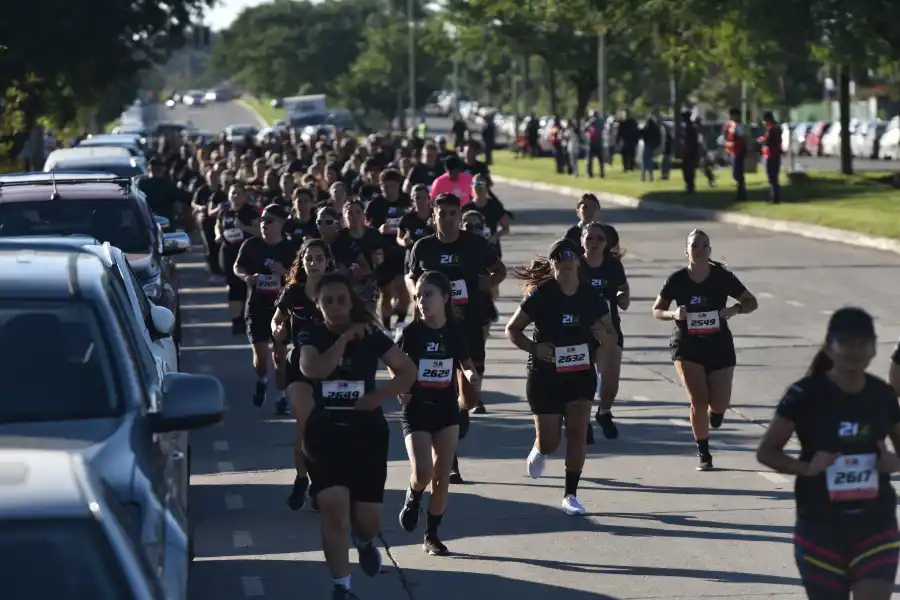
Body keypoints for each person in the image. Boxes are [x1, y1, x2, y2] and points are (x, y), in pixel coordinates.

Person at [757, 307, 900, 600]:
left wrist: (892, 462)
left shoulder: (882, 395)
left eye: (863, 343)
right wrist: (806, 468)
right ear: (829, 347)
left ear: (874, 348)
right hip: (820, 526)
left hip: (876, 524)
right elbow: (767, 452)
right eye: (846, 342)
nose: (855, 351)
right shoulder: (804, 394)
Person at [296, 273, 416, 599]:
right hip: (324, 433)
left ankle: (364, 542)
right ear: (318, 305)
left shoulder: (371, 335)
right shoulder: (311, 334)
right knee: (334, 508)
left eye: (341, 300)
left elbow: (407, 370)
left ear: (351, 302)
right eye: (328, 301)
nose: (335, 306)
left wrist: (377, 397)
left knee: (368, 521)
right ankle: (342, 587)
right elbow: (313, 370)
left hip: (366, 433)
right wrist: (343, 340)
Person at [505, 237, 615, 514]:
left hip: (580, 374)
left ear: (578, 262)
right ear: (552, 264)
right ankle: (540, 448)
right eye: (559, 257)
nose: (565, 261)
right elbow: (512, 329)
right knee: (550, 442)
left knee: (578, 433)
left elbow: (612, 335)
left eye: (570, 256)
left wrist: (603, 336)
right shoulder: (542, 294)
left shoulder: (592, 297)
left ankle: (570, 495)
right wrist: (535, 348)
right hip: (545, 376)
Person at [406, 192, 507, 482]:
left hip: (469, 323)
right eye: (442, 213)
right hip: (434, 327)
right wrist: (416, 292)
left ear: (460, 215)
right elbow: (410, 276)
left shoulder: (474, 244)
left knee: (469, 395)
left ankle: (462, 411)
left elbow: (499, 269)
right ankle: (451, 462)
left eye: (453, 213)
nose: (448, 218)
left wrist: (489, 282)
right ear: (433, 215)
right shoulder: (424, 247)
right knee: (441, 389)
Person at [651, 229, 758, 470]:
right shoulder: (677, 279)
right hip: (687, 345)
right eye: (695, 245)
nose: (699, 249)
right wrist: (673, 314)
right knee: (698, 401)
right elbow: (657, 310)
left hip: (719, 344)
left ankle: (717, 412)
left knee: (719, 403)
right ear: (686, 251)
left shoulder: (722, 277)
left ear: (710, 250)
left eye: (704, 245)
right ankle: (704, 452)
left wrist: (734, 309)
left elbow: (751, 301)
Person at [396, 271, 481, 556]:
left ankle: (431, 535)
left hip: (446, 410)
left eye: (428, 294)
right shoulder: (412, 333)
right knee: (423, 473)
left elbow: (465, 362)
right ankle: (413, 495)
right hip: (417, 410)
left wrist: (471, 376)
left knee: (442, 477)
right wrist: (401, 387)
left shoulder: (455, 331)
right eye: (419, 296)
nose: (422, 301)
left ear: (445, 297)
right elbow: (395, 365)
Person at [271, 238, 331, 510]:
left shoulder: (335, 290)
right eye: (309, 258)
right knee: (306, 425)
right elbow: (277, 319)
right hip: (299, 366)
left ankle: (319, 481)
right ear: (302, 262)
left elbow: (356, 318)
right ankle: (303, 478)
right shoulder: (294, 292)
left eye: (319, 258)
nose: (313, 263)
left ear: (327, 262)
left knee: (327, 429)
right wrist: (277, 329)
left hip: (330, 366)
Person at [234, 204, 296, 412]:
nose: (264, 224)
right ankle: (262, 380)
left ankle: (281, 397)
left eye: (269, 221)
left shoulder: (291, 248)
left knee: (280, 356)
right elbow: (238, 266)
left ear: (281, 224)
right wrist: (246, 277)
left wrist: (284, 272)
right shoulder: (251, 245)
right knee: (261, 359)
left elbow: (302, 276)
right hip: (257, 307)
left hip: (281, 310)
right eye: (261, 220)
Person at [580, 221, 630, 439]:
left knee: (610, 380)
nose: (594, 242)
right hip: (579, 329)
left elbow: (623, 291)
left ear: (607, 242)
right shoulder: (575, 265)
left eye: (600, 238)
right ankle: (582, 421)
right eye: (589, 237)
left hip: (609, 327)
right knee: (582, 380)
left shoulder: (613, 266)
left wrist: (622, 298)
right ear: (581, 240)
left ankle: (604, 412)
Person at [364, 168, 412, 335]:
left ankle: (400, 324)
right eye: (385, 186)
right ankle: (386, 327)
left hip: (403, 252)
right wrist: (378, 230)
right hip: (383, 253)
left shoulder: (407, 201)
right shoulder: (375, 205)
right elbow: (366, 229)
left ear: (399, 185)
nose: (389, 190)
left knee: (403, 293)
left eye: (392, 186)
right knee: (386, 293)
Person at [215, 183, 260, 334]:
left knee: (246, 285)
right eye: (233, 193)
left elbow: (260, 231)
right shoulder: (225, 210)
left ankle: (248, 316)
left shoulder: (250, 212)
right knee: (233, 286)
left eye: (239, 193)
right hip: (228, 251)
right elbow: (218, 225)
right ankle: (236, 321)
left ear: (245, 196)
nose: (235, 196)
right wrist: (218, 235)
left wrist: (244, 227)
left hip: (247, 253)